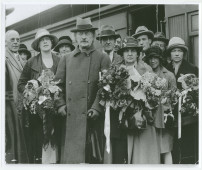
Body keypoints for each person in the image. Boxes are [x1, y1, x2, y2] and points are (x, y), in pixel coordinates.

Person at [54, 17, 110, 164]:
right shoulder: (66, 58)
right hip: (70, 118)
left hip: (91, 118)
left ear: (93, 36)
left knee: (91, 159)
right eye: (80, 34)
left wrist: (97, 108)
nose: (84, 37)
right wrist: (60, 105)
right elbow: (57, 85)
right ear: (75, 37)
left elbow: (106, 86)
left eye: (87, 33)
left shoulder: (102, 58)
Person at [18, 29, 60, 164]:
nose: (45, 41)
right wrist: (32, 90)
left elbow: (64, 82)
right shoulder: (31, 62)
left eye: (47, 39)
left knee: (56, 141)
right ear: (38, 44)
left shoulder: (60, 60)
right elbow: (21, 84)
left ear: (52, 42)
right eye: (42, 40)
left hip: (57, 109)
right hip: (37, 113)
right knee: (39, 143)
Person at [117, 37, 160, 164]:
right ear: (122, 54)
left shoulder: (146, 69)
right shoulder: (117, 70)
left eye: (133, 51)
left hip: (144, 116)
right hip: (125, 117)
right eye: (126, 51)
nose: (130, 54)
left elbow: (154, 93)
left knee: (144, 153)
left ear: (138, 53)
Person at [166, 37, 198, 164]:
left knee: (188, 145)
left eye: (180, 50)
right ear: (170, 53)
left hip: (187, 117)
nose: (177, 53)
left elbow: (197, 92)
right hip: (171, 116)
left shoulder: (192, 69)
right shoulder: (166, 69)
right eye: (174, 51)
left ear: (184, 53)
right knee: (172, 146)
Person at [97, 25, 125, 164]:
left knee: (117, 140)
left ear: (115, 42)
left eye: (110, 39)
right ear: (100, 42)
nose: (108, 42)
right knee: (100, 138)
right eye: (104, 39)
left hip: (117, 108)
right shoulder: (97, 57)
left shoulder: (121, 60)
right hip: (99, 107)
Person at [145, 46, 177, 164]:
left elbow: (174, 96)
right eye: (150, 58)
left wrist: (165, 101)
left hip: (165, 117)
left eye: (155, 58)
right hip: (150, 118)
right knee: (152, 150)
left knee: (166, 149)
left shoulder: (169, 75)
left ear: (160, 59)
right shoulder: (146, 74)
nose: (152, 61)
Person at [5, 30, 29, 163]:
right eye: (12, 40)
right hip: (11, 104)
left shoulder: (20, 57)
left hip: (21, 103)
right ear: (5, 42)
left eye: (18, 40)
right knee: (13, 139)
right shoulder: (4, 57)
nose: (15, 42)